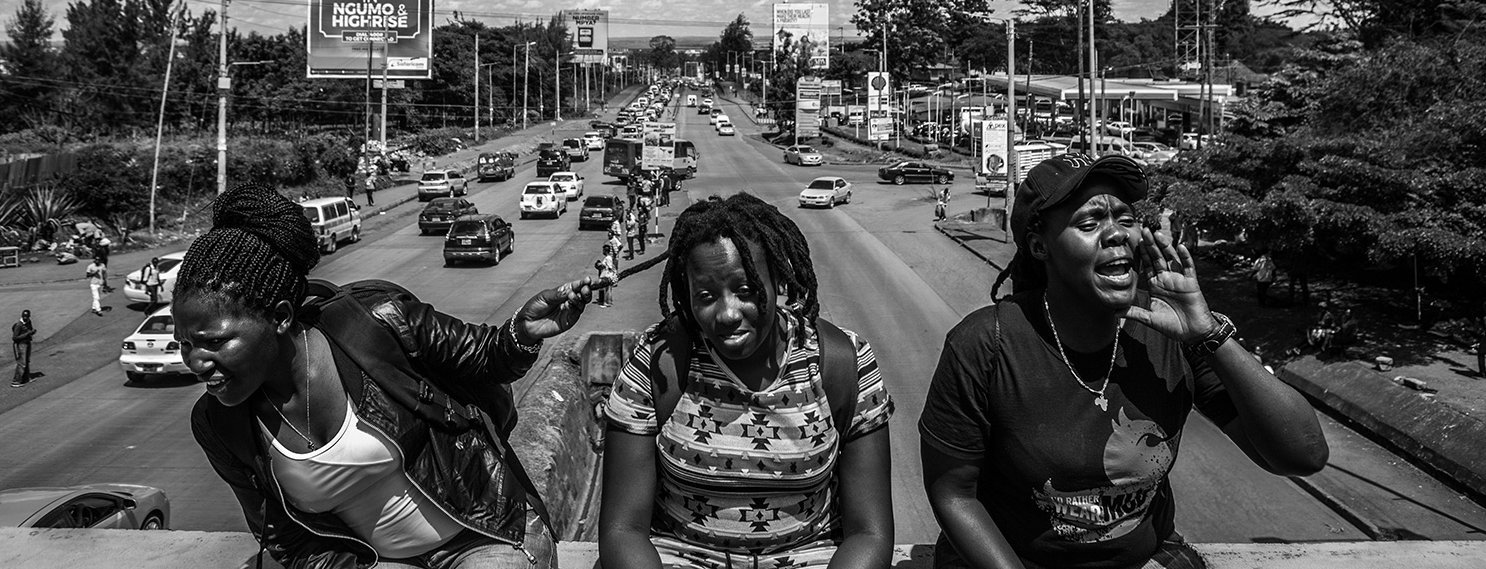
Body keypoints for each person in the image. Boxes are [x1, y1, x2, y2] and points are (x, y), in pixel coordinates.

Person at [920, 153, 1327, 569]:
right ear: (1040, 246)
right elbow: (953, 494)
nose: (1117, 234)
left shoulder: (1170, 334)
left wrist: (1208, 335)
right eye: (1090, 222)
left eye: (1126, 218)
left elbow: (1302, 455)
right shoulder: (986, 344)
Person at [175, 184, 595, 569]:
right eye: (185, 344)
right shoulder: (219, 425)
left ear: (281, 318)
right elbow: (285, 539)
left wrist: (521, 333)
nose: (196, 362)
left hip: (487, 535)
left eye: (213, 342)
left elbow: (485, 357)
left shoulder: (375, 321)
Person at [599, 193, 896, 569]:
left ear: (777, 281)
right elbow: (622, 529)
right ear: (685, 297)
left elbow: (870, 533)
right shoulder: (658, 365)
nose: (727, 313)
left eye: (745, 290)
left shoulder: (842, 362)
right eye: (706, 296)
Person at [11, 310, 35, 387]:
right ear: (22, 316)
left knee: (27, 361)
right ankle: (16, 380)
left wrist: (31, 332)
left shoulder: (28, 322)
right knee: (22, 363)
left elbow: (30, 329)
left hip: (27, 343)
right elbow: (15, 338)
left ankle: (25, 378)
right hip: (21, 344)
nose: (25, 318)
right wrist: (26, 334)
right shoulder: (19, 325)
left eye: (27, 317)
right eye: (24, 316)